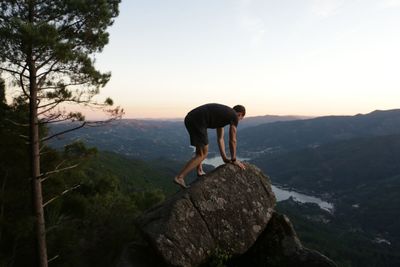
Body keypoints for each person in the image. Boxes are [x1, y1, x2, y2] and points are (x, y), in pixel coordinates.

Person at [174, 103, 246, 188]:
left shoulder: (223, 115)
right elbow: (233, 140)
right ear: (240, 114)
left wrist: (225, 158)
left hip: (190, 119)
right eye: (240, 119)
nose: (238, 121)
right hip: (198, 121)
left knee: (200, 150)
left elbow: (220, 139)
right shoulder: (234, 115)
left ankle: (199, 170)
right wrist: (234, 159)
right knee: (203, 154)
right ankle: (180, 177)